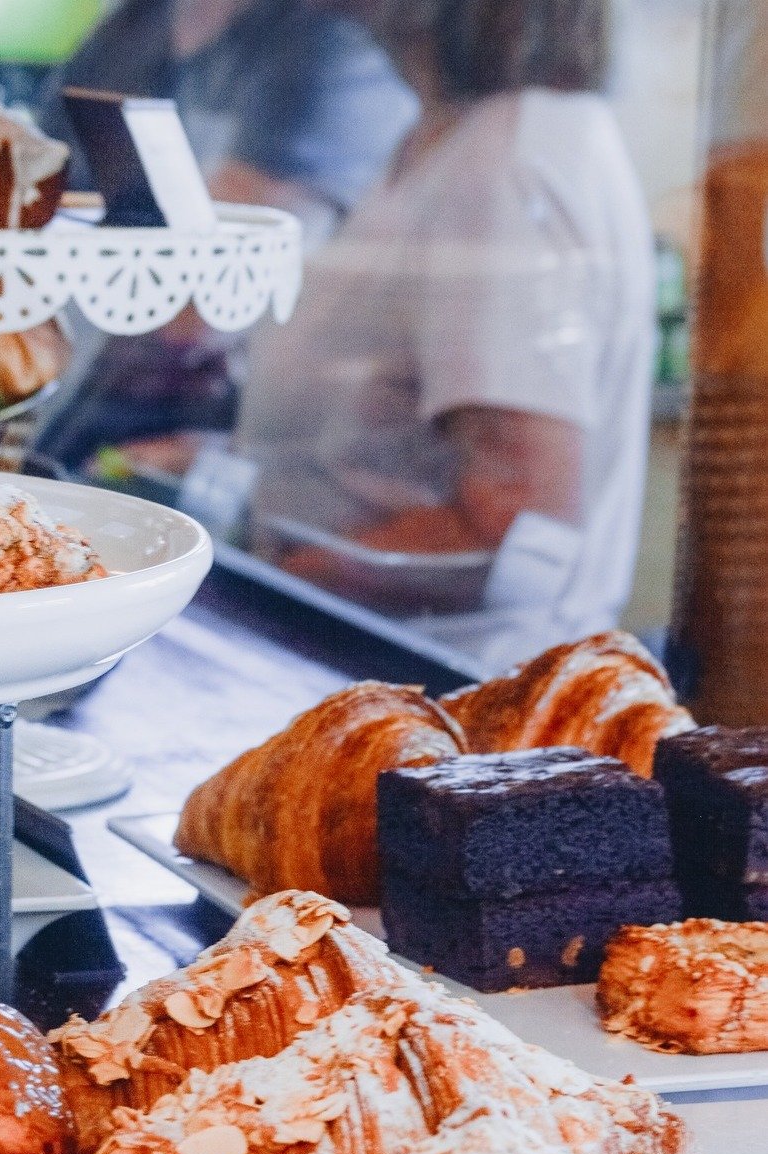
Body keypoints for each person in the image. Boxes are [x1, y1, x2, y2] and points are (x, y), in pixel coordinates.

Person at [233, 0, 656, 668]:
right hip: (364, 658)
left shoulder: (507, 163)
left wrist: (247, 578)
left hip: (446, 694)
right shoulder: (446, 135)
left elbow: (510, 527)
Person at [33, 0, 416, 466]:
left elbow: (197, 314)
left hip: (210, 448)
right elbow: (30, 199)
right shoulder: (134, 24)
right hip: (75, 405)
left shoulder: (324, 47)